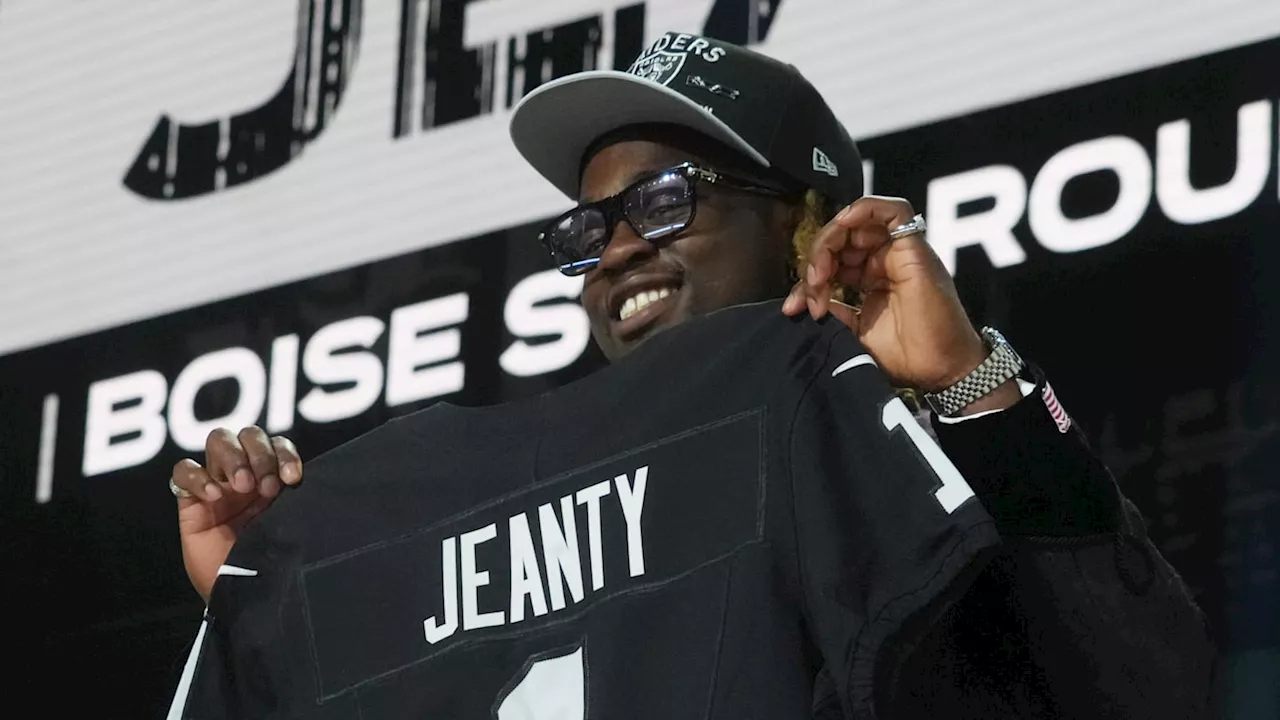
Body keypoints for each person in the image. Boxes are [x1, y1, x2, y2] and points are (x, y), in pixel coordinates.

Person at [166, 32, 1216, 719]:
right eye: (587, 230)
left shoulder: (872, 431)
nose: (615, 251)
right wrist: (299, 600)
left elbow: (1141, 690)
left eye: (665, 200)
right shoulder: (429, 510)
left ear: (804, 223)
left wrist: (967, 385)